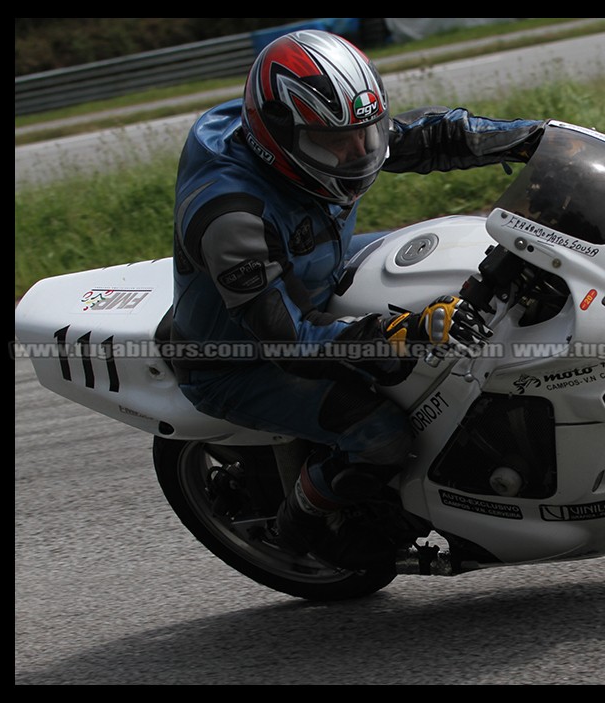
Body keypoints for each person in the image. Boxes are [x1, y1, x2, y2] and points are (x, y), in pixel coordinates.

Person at [171, 29, 544, 565]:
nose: (357, 153)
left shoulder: (318, 129)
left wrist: (532, 138)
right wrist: (399, 331)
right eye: (335, 143)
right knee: (381, 436)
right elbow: (288, 339)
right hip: (239, 356)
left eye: (364, 135)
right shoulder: (233, 220)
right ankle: (299, 524)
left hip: (315, 267)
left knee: (463, 253)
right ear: (279, 139)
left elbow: (424, 136)